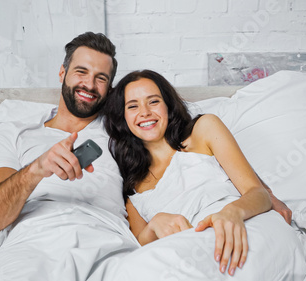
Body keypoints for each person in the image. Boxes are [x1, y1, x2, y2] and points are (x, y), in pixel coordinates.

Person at [0, 32, 138, 280]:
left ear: (110, 88)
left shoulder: (123, 132)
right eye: (81, 72)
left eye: (100, 78)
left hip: (106, 241)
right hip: (32, 244)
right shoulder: (17, 132)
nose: (90, 86)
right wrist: (37, 169)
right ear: (62, 73)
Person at [103, 70, 294, 277]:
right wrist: (153, 226)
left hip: (244, 226)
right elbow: (139, 248)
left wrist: (233, 212)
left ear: (168, 105)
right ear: (123, 117)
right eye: (133, 106)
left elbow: (259, 194)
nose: (145, 112)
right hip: (190, 253)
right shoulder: (133, 190)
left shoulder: (204, 130)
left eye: (153, 101)